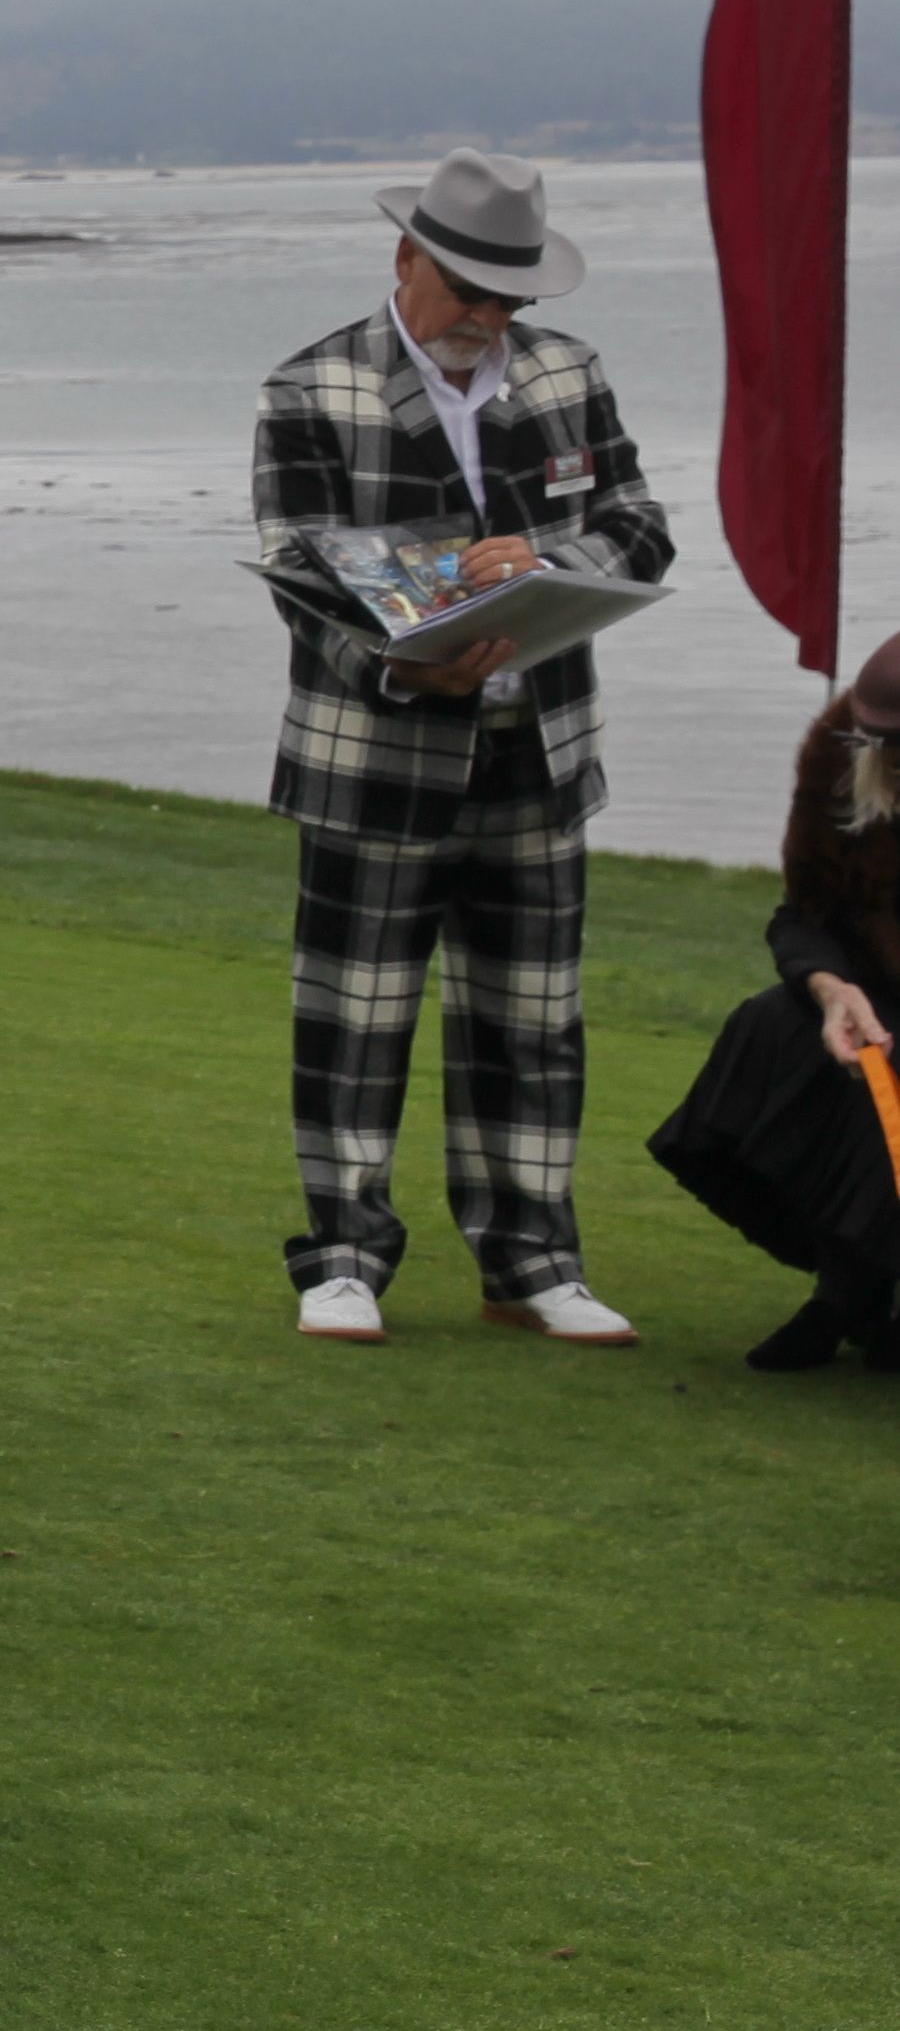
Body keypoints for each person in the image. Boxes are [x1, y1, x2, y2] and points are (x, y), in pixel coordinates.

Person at [253, 151, 676, 1346]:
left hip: (537, 751)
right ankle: (340, 1258)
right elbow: (297, 572)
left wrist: (553, 567)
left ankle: (531, 1261)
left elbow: (637, 525)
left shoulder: (566, 375)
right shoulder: (309, 387)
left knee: (530, 1018)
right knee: (353, 1015)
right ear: (404, 259)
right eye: (468, 292)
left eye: (508, 300)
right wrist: (397, 660)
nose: (486, 320)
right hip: (372, 752)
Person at [648, 639, 900, 1369]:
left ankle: (863, 1295)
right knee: (775, 1027)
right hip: (873, 995)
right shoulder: (839, 764)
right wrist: (833, 993)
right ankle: (844, 1294)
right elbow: (801, 919)